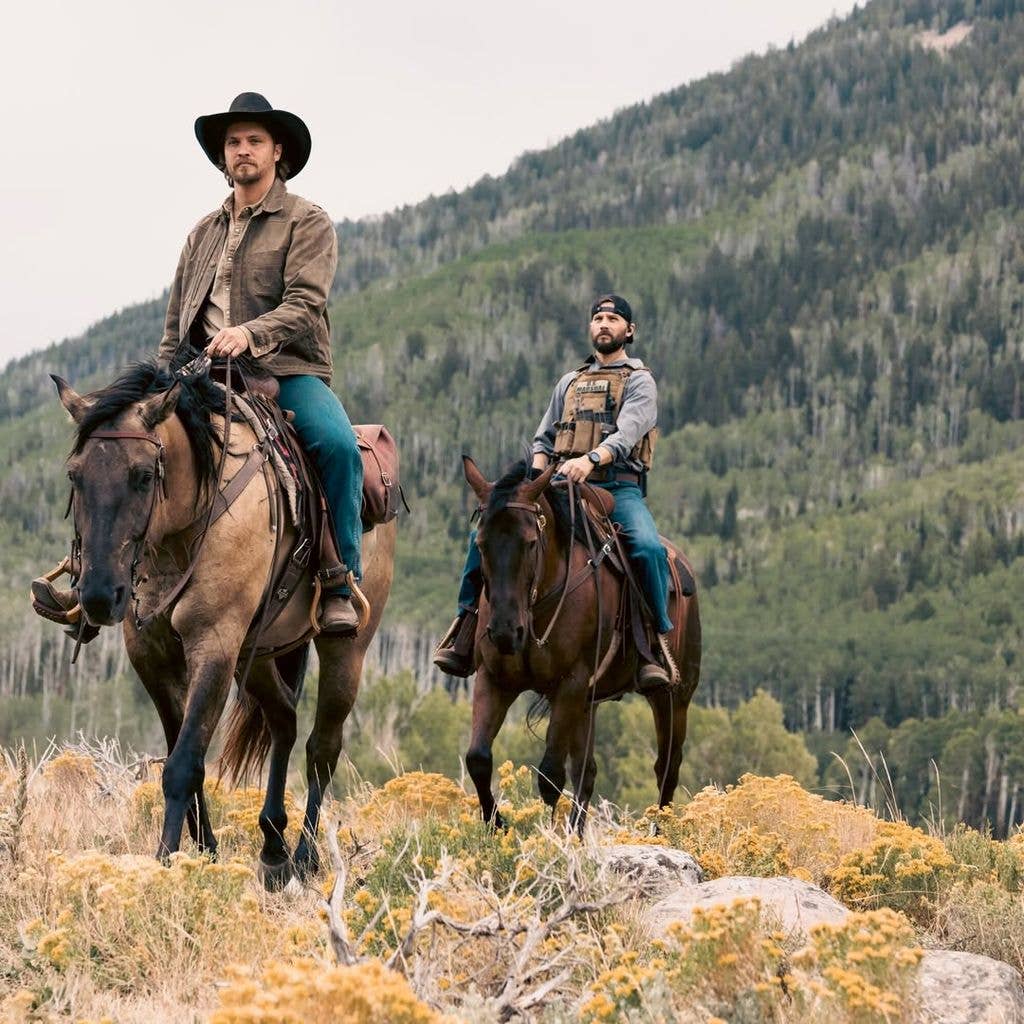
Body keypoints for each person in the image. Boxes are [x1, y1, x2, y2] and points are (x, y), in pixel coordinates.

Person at [33, 92, 362, 635]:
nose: (243, 151)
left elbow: (305, 306)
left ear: (277, 151)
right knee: (113, 446)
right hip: (199, 375)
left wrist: (248, 334)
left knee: (339, 446)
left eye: (254, 140)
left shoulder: (307, 222)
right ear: (223, 156)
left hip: (285, 372)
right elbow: (174, 323)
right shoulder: (202, 233)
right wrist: (158, 382)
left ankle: (337, 578)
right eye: (233, 142)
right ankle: (92, 578)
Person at [434, 294, 678, 688]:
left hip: (616, 487)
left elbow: (630, 429)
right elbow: (545, 437)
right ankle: (465, 625)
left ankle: (653, 642)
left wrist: (593, 459)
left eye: (613, 319)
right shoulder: (569, 382)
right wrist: (532, 478)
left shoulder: (640, 381)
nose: (603, 323)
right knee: (488, 533)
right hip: (559, 485)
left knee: (647, 547)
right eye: (597, 317)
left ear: (628, 331)